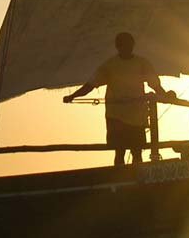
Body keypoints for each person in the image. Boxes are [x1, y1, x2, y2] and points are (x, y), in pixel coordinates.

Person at [62, 32, 170, 166]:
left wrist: (165, 95)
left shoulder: (142, 63)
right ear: (118, 46)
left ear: (132, 46)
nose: (126, 47)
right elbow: (90, 85)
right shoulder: (109, 66)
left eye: (128, 45)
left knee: (137, 151)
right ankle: (119, 177)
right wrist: (73, 96)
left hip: (137, 116)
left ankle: (136, 180)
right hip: (116, 116)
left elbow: (155, 85)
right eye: (123, 45)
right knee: (119, 151)